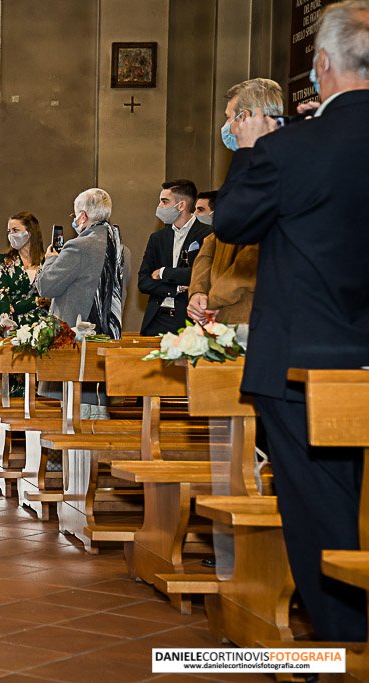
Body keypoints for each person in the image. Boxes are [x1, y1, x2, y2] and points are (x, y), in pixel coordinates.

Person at [215, 0, 369, 643]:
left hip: (304, 364)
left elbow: (232, 222)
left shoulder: (293, 150)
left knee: (319, 513)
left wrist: (256, 150)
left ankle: (344, 643)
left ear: (323, 63)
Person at [35, 188, 127, 338]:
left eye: (75, 215)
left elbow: (46, 287)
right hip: (106, 333)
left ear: (83, 216)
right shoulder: (120, 248)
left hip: (74, 334)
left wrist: (50, 259)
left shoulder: (78, 246)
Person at [138, 179, 211, 336]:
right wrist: (176, 289)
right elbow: (143, 281)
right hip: (156, 319)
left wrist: (164, 273)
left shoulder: (208, 235)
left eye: (164, 202)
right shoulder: (157, 238)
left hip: (187, 321)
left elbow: (202, 274)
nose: (159, 207)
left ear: (181, 205)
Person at [0, 211, 46, 326]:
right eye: (9, 231)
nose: (11, 235)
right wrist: (37, 301)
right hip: (13, 324)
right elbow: (3, 295)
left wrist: (15, 306)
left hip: (43, 325)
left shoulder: (47, 261)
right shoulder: (3, 261)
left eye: (15, 230)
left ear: (30, 232)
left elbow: (51, 296)